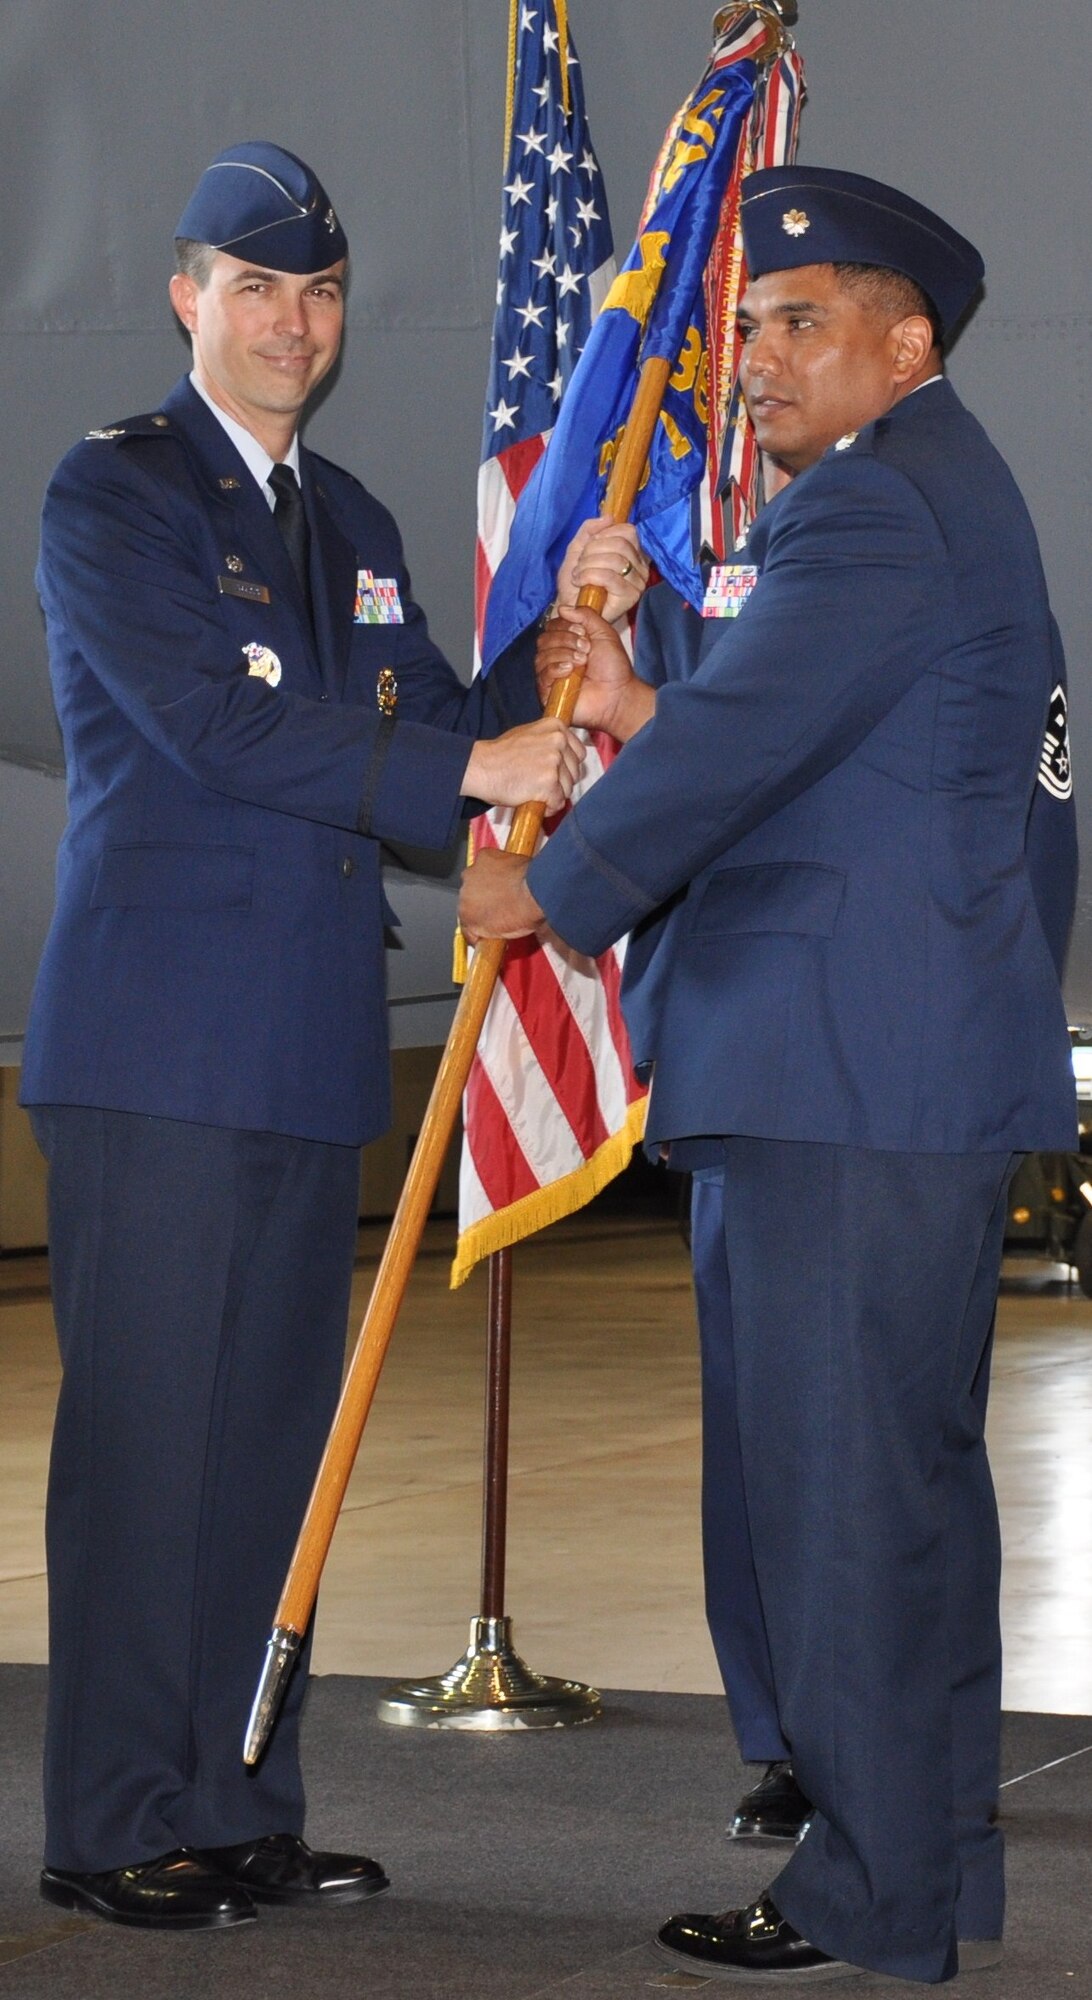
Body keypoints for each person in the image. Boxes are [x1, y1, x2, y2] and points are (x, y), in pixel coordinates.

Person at [460, 164, 1077, 1983]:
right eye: (745, 326)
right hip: (890, 1073)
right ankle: (931, 1866)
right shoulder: (923, 502)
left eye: (802, 325)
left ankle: (872, 1899)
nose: (755, 360)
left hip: (842, 1087)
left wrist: (547, 887)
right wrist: (648, 707)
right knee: (904, 1501)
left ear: (907, 347)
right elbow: (805, 746)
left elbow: (736, 763)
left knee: (844, 1507)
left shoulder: (875, 513)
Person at [20, 137, 643, 1933]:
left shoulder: (354, 526)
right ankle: (116, 1814)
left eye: (321, 292)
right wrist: (469, 760)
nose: (295, 323)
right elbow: (221, 731)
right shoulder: (114, 497)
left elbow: (438, 725)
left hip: (300, 1050)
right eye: (258, 287)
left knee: (275, 1447)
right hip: (158, 1048)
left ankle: (234, 1801)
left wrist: (559, 633)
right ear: (186, 299)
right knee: (152, 1451)